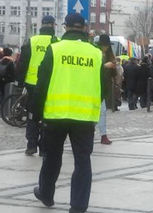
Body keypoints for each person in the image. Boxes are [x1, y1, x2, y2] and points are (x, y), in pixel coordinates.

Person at [30, 13, 109, 213]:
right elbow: (103, 87)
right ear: (84, 28)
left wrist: (36, 115)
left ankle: (46, 193)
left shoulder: (54, 49)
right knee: (83, 161)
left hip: (56, 115)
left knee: (52, 156)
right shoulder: (95, 53)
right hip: (84, 118)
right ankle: (78, 206)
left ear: (65, 27)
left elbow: (41, 85)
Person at [16, 15, 59, 156]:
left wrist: (19, 83)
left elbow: (23, 63)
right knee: (47, 116)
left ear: (41, 25)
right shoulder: (57, 42)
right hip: (50, 85)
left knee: (32, 115)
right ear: (53, 25)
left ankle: (31, 145)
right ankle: (44, 147)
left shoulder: (32, 41)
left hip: (32, 85)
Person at [95, 34, 116, 145]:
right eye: (104, 45)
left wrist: (113, 67)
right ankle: (89, 132)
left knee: (102, 112)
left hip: (103, 88)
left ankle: (103, 135)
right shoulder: (95, 53)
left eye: (107, 46)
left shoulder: (109, 56)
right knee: (97, 112)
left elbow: (113, 74)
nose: (105, 48)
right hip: (94, 86)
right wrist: (104, 66)